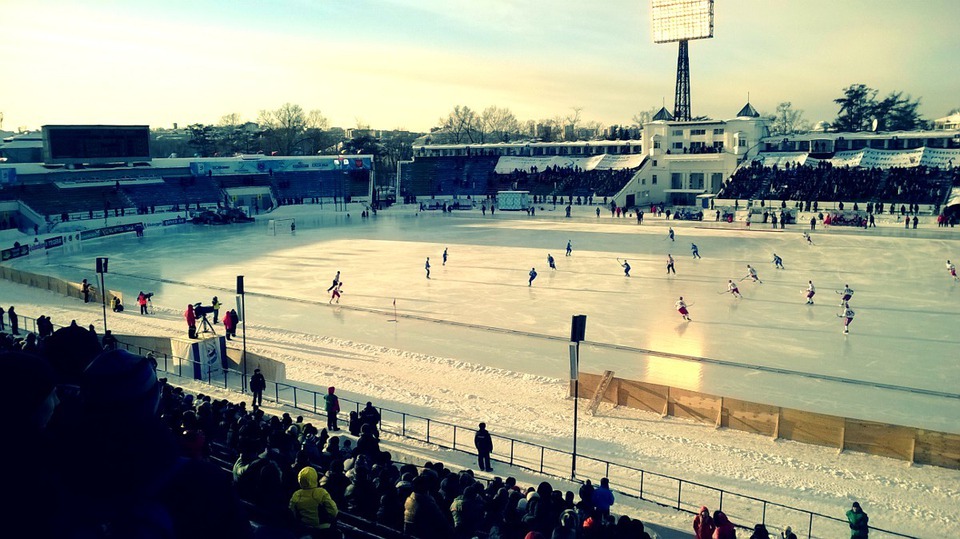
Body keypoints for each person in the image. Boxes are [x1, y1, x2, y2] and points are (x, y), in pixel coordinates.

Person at [289, 466, 339, 538]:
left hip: (304, 528)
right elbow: (333, 511)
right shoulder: (321, 492)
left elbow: (292, 512)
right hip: (321, 528)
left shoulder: (297, 494)